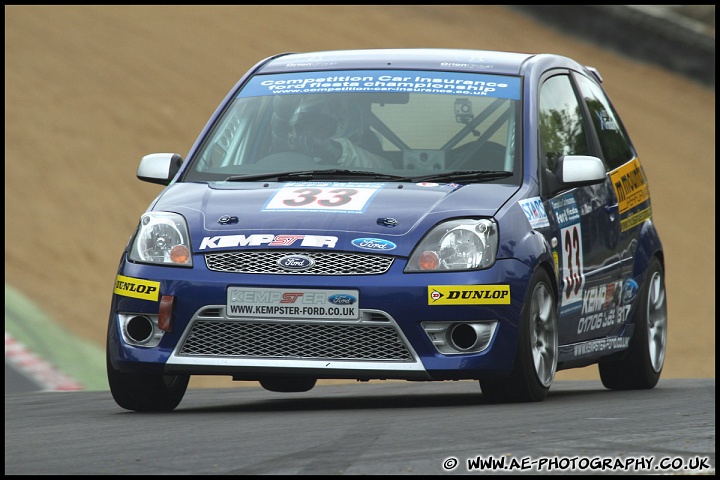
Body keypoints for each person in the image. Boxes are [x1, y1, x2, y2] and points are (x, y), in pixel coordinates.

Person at [285, 95, 393, 169]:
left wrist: (333, 150)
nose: (305, 132)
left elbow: (386, 170)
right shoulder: (284, 153)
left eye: (317, 125)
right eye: (296, 127)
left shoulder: (368, 141)